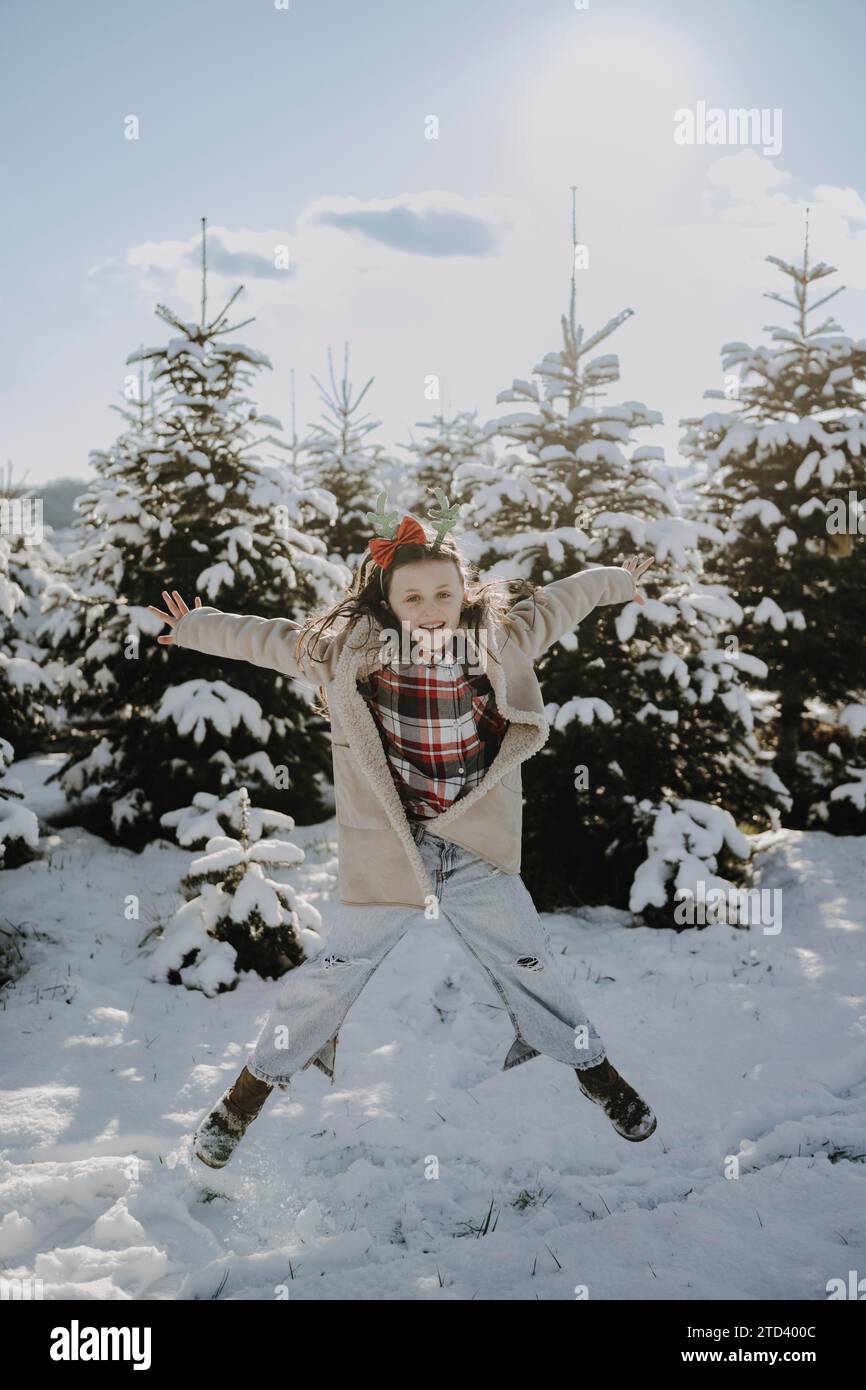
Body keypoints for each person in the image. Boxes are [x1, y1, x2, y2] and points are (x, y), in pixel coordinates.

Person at [149, 492, 657, 1168]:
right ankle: (244, 1098)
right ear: (387, 599)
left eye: (442, 593)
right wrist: (195, 627)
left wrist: (619, 582)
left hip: (472, 845)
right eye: (412, 597)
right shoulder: (349, 649)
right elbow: (267, 639)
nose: (429, 609)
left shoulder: (497, 638)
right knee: (334, 971)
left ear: (463, 590)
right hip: (395, 850)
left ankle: (595, 1071)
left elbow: (566, 598)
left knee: (527, 960)